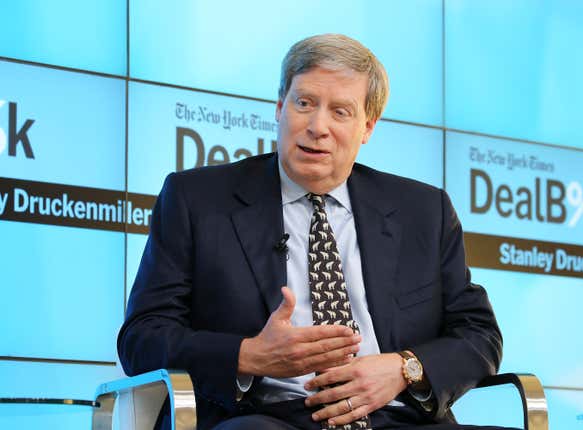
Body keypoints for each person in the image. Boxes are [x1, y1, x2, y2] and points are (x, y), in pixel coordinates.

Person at [118, 34, 507, 430]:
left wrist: (404, 369)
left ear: (367, 127)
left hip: (396, 414)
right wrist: (249, 355)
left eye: (340, 112)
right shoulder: (197, 200)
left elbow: (479, 334)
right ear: (279, 107)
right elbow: (142, 338)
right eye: (304, 103)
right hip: (267, 417)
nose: (317, 126)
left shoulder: (423, 211)